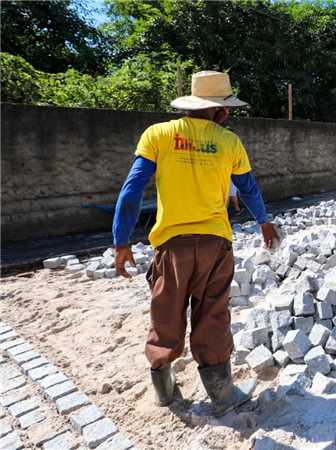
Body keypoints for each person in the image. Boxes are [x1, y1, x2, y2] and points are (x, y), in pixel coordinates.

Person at [112, 71, 280, 415]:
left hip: (171, 245)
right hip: (215, 244)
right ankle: (221, 393)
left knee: (165, 313)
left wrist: (121, 240)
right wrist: (264, 221)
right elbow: (248, 188)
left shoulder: (158, 135)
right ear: (221, 111)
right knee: (213, 314)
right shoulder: (229, 142)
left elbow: (132, 189)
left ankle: (165, 391)